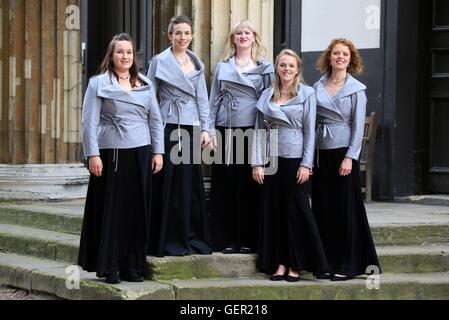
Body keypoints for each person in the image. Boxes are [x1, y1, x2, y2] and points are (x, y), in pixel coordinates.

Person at [78, 33, 164, 284]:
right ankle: (111, 266)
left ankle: (133, 266)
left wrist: (158, 152)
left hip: (141, 152)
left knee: (136, 211)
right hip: (111, 153)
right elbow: (88, 121)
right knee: (113, 212)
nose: (125, 56)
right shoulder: (98, 83)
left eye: (129, 52)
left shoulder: (145, 84)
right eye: (120, 52)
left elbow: (155, 120)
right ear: (111, 55)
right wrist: (92, 154)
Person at [252, 49, 329, 281]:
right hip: (271, 158)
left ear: (297, 70)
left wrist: (306, 164)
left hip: (295, 158)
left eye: (291, 66)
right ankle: (281, 263)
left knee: (296, 212)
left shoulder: (307, 94)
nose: (286, 69)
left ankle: (297, 264)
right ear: (277, 68)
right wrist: (256, 163)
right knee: (275, 213)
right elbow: (257, 131)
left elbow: (310, 131)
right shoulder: (267, 94)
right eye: (283, 65)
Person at [312, 38, 381, 281]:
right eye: (336, 53)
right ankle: (327, 261)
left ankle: (350, 264)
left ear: (351, 59)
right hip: (322, 154)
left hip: (343, 155)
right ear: (329, 57)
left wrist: (350, 157)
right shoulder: (317, 85)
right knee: (324, 208)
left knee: (346, 210)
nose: (340, 57)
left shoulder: (356, 89)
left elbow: (356, 129)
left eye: (345, 54)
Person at [146, 16, 211, 257]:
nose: (183, 37)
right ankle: (166, 240)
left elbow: (202, 98)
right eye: (178, 33)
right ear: (169, 36)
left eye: (187, 33)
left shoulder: (196, 61)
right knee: (169, 183)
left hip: (191, 126)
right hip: (169, 126)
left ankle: (190, 238)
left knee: (188, 185)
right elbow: (150, 97)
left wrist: (205, 128)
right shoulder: (159, 61)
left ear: (192, 36)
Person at [209, 20, 275, 254]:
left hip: (251, 130)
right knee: (225, 186)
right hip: (224, 129)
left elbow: (269, 103)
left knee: (249, 187)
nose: (243, 36)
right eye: (239, 33)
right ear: (233, 39)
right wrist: (209, 130)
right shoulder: (222, 67)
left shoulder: (266, 68)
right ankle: (225, 239)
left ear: (254, 37)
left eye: (247, 33)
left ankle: (249, 239)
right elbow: (213, 100)